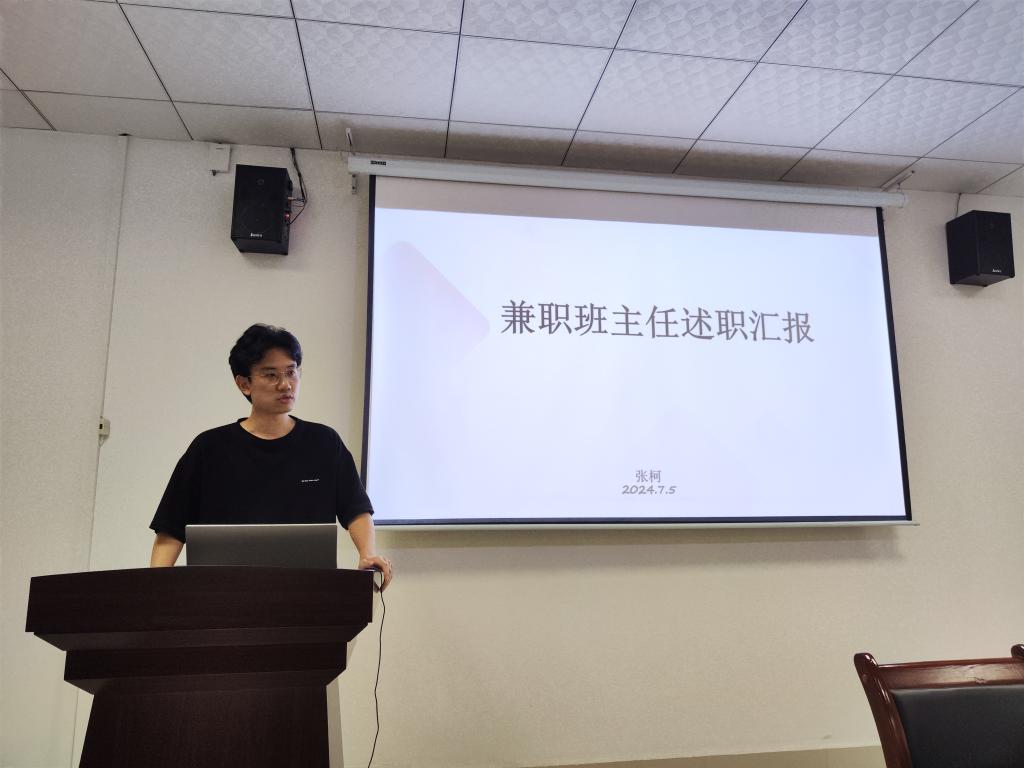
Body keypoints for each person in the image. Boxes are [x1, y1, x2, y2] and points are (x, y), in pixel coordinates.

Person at [148, 323, 393, 589]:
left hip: (308, 594)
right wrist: (154, 589)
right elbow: (170, 528)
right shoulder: (208, 448)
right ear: (244, 384)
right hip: (220, 596)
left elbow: (356, 510)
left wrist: (367, 555)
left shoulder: (324, 442)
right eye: (271, 375)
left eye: (291, 372)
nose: (285, 384)